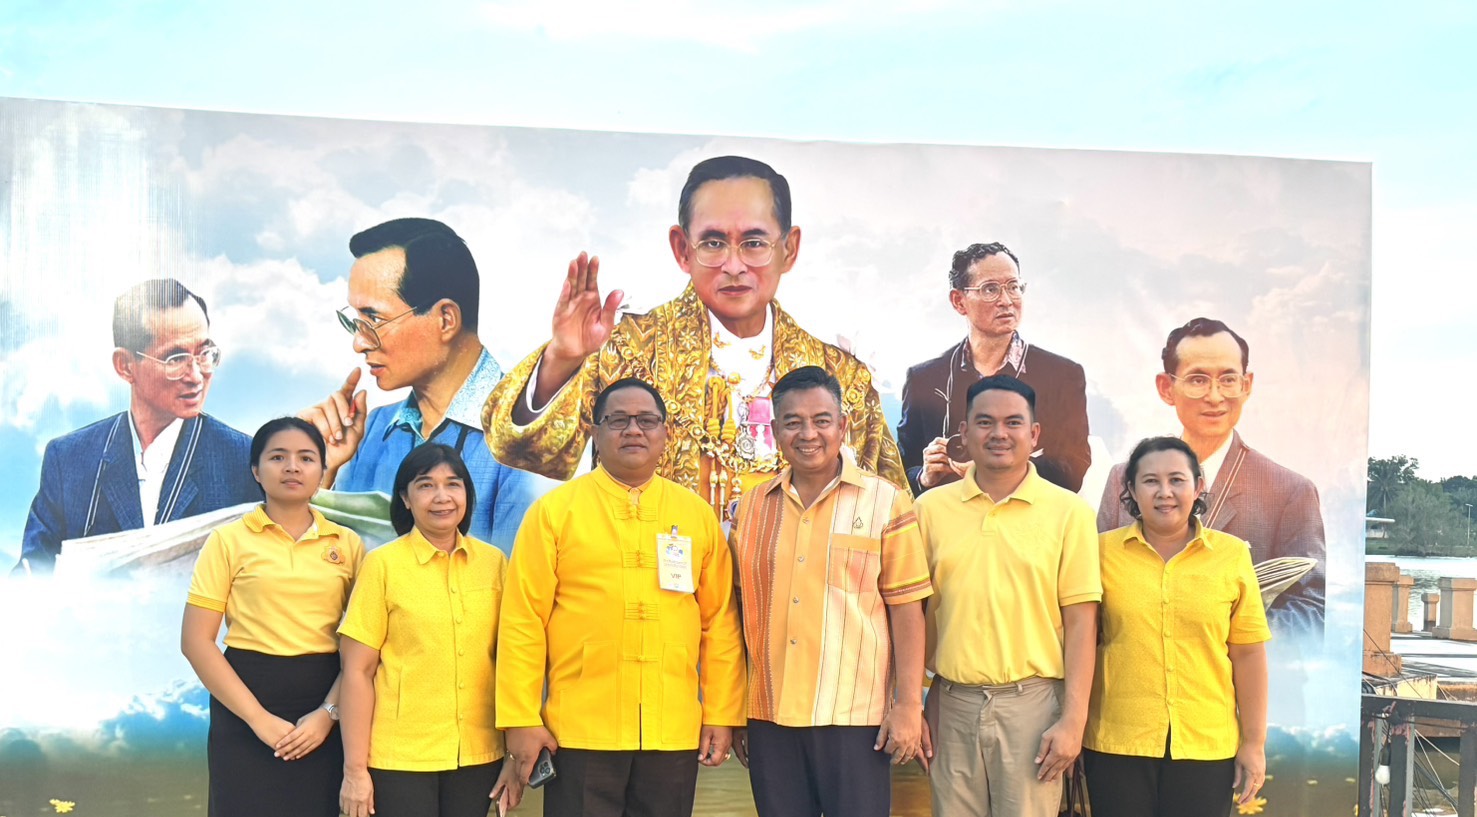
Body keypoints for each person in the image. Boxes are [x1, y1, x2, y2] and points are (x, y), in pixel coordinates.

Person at [496, 378, 746, 817]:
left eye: (646, 420)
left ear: (666, 434)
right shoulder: (557, 513)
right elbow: (522, 622)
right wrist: (520, 717)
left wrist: (722, 712)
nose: (633, 430)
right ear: (595, 432)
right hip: (578, 728)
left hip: (669, 727)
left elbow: (719, 623)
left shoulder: (693, 516)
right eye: (617, 419)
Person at [481, 155, 906, 516]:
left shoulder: (841, 376)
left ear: (789, 249)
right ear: (683, 249)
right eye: (714, 243)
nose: (734, 266)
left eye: (754, 243)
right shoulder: (627, 349)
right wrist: (562, 359)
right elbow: (522, 449)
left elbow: (889, 513)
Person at [729, 366, 932, 817]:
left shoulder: (885, 503)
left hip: (855, 717)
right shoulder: (752, 506)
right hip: (771, 715)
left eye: (821, 420)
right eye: (793, 421)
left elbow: (908, 611)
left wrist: (908, 705)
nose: (808, 434)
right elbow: (738, 612)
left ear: (843, 426)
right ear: (775, 429)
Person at [912, 376, 1100, 817]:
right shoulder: (931, 510)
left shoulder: (1066, 513)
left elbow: (1081, 623)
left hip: (1033, 705)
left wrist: (1072, 718)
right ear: (963, 433)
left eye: (1012, 422)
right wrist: (917, 700)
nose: (998, 433)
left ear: (1035, 435)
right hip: (954, 702)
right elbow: (915, 614)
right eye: (984, 421)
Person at [180, 416, 364, 817]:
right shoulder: (229, 540)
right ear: (255, 469)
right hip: (244, 709)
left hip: (321, 710)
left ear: (322, 469)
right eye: (278, 456)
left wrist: (328, 715)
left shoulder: (347, 544)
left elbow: (361, 648)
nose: (292, 467)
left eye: (305, 456)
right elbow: (198, 642)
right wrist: (258, 719)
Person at [1086, 435, 1270, 817]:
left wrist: (1253, 742)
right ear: (1129, 491)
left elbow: (1248, 653)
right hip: (1118, 740)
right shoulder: (1101, 554)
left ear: (1199, 488)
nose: (1164, 492)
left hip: (1205, 744)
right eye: (1150, 481)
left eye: (1176, 480)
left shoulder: (1231, 556)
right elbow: (1080, 642)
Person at [337, 442, 522, 817]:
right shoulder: (384, 566)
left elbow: (512, 661)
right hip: (400, 756)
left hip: (476, 754)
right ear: (406, 498)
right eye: (426, 484)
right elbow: (357, 672)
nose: (442, 496)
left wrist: (513, 752)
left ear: (467, 494)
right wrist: (355, 769)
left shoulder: (494, 565)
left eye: (453, 484)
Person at [299, 218, 554, 555]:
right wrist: (322, 472)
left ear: (445, 319)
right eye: (355, 322)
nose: (359, 343)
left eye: (373, 319)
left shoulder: (531, 435)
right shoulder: (370, 431)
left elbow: (521, 578)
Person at [1096, 318, 1325, 635]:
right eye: (1198, 379)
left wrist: (1220, 625)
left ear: (1247, 385)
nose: (1215, 396)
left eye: (1228, 379)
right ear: (1166, 388)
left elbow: (1311, 613)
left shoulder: (1289, 491)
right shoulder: (1122, 478)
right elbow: (1094, 590)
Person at [19, 278, 259, 571]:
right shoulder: (69, 459)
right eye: (175, 359)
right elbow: (31, 575)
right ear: (125, 366)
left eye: (205, 354)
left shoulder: (246, 460)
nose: (196, 375)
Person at [897, 243, 1090, 496]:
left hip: (1029, 518)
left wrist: (1002, 471)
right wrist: (924, 477)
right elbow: (899, 470)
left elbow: (1073, 467)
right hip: (946, 517)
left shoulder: (1062, 375)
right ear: (958, 301)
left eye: (1013, 287)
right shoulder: (924, 379)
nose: (1007, 301)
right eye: (990, 289)